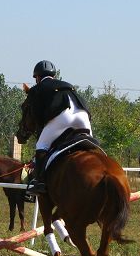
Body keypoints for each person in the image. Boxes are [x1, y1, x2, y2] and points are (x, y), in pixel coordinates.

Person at [25, 60, 92, 195]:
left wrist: (42, 131)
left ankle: (40, 182)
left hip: (63, 116)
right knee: (91, 145)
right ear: (53, 75)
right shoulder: (67, 85)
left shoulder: (37, 89)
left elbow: (37, 116)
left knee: (41, 145)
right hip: (82, 115)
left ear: (37, 77)